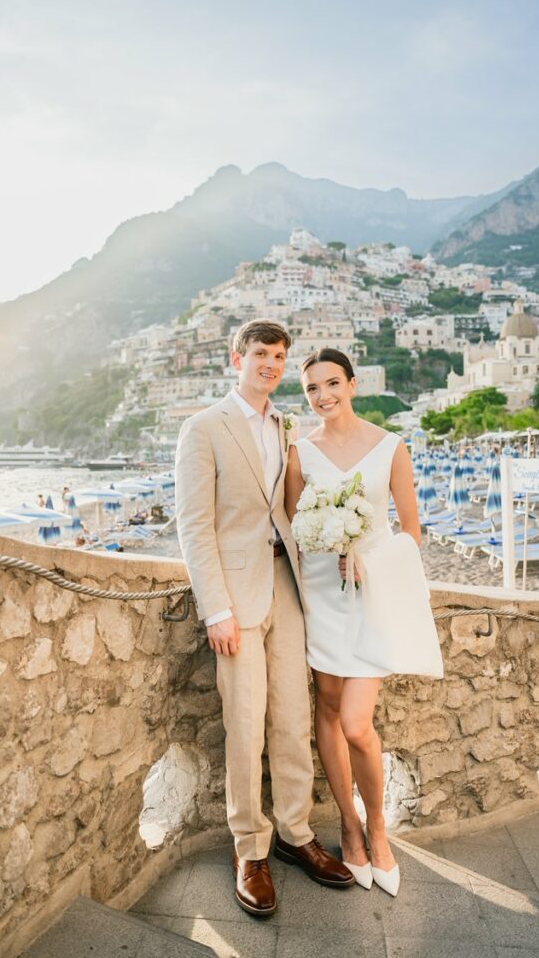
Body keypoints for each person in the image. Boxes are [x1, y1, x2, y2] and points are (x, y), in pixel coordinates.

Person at [176, 320, 354, 918]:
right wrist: (216, 609)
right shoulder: (203, 428)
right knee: (246, 724)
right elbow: (195, 526)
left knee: (293, 715)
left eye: (279, 356)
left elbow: (291, 507)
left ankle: (295, 833)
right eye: (260, 354)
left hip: (287, 586)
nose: (271, 364)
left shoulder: (286, 425)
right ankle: (248, 848)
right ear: (237, 358)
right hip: (236, 597)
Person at [285, 347, 444, 897]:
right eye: (312, 389)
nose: (323, 396)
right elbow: (293, 531)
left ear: (352, 384)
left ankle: (378, 828)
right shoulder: (299, 454)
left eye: (332, 383)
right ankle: (347, 829)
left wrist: (367, 558)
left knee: (356, 723)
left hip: (371, 597)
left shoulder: (390, 447)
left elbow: (412, 533)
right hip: (323, 601)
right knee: (326, 712)